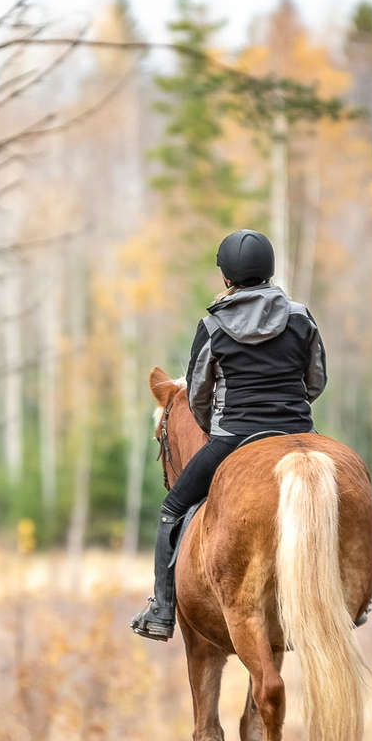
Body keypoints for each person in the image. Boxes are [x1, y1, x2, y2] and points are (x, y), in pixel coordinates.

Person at [130, 229, 328, 642]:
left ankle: (162, 610)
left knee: (173, 507)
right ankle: (349, 602)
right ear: (270, 271)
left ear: (226, 278)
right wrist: (292, 411)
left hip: (234, 436)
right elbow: (316, 379)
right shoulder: (300, 316)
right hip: (297, 429)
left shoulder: (213, 324)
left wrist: (215, 426)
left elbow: (198, 394)